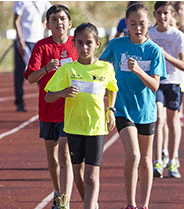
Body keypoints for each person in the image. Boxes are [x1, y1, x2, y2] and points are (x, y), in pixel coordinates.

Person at [45, 22, 118, 209]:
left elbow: (112, 88)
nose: (84, 47)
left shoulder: (105, 68)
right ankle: (91, 204)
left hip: (96, 128)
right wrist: (62, 92)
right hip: (73, 127)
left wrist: (111, 110)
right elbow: (48, 96)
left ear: (97, 44)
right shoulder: (67, 70)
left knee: (91, 175)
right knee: (78, 174)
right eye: (79, 43)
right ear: (74, 44)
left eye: (88, 43)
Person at [101, 3, 166, 209]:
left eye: (142, 24)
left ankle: (144, 204)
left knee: (146, 159)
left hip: (146, 111)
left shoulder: (154, 51)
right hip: (123, 109)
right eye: (133, 24)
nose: (138, 28)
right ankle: (130, 203)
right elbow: (101, 67)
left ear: (149, 24)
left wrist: (138, 70)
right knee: (134, 155)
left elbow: (155, 85)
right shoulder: (116, 45)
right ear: (126, 24)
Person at [24, 5, 78, 209]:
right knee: (52, 158)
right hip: (48, 109)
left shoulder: (76, 45)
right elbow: (30, 77)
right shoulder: (41, 47)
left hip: (71, 108)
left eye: (63, 18)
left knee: (65, 154)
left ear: (69, 23)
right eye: (54, 19)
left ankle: (65, 200)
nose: (59, 22)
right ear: (48, 24)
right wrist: (46, 68)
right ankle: (58, 192)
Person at [149, 1, 184, 179]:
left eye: (166, 13)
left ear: (172, 15)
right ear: (154, 15)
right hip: (157, 82)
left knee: (172, 121)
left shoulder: (178, 36)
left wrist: (165, 55)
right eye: (159, 13)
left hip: (174, 82)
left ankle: (174, 159)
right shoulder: (150, 34)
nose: (162, 17)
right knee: (158, 118)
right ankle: (158, 159)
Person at [13, 1, 51, 112]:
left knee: (40, 71)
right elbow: (16, 20)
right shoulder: (21, 1)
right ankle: (19, 103)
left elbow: (51, 13)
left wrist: (42, 27)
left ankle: (46, 101)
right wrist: (20, 41)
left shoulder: (44, 1)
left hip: (37, 41)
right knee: (20, 73)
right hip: (24, 41)